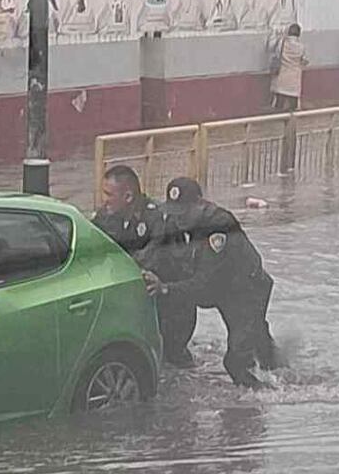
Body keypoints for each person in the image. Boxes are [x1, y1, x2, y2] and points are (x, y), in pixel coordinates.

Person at [143, 178, 280, 390]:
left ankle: (270, 399)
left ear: (200, 203)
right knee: (257, 342)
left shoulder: (218, 227)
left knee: (236, 363)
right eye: (174, 212)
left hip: (244, 291)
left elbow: (204, 283)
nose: (179, 219)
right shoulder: (173, 221)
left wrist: (165, 288)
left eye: (184, 212)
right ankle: (274, 366)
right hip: (218, 290)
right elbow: (156, 252)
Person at [93, 165, 197, 367]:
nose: (104, 200)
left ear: (128, 197)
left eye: (109, 194)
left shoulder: (160, 219)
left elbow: (149, 259)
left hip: (172, 304)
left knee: (173, 359)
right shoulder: (107, 215)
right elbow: (90, 240)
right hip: (142, 300)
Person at [270, 23, 308, 111]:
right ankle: (292, 119)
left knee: (279, 100)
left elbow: (275, 52)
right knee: (293, 101)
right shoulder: (301, 47)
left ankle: (278, 118)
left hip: (282, 74)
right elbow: (305, 60)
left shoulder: (282, 43)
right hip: (295, 76)